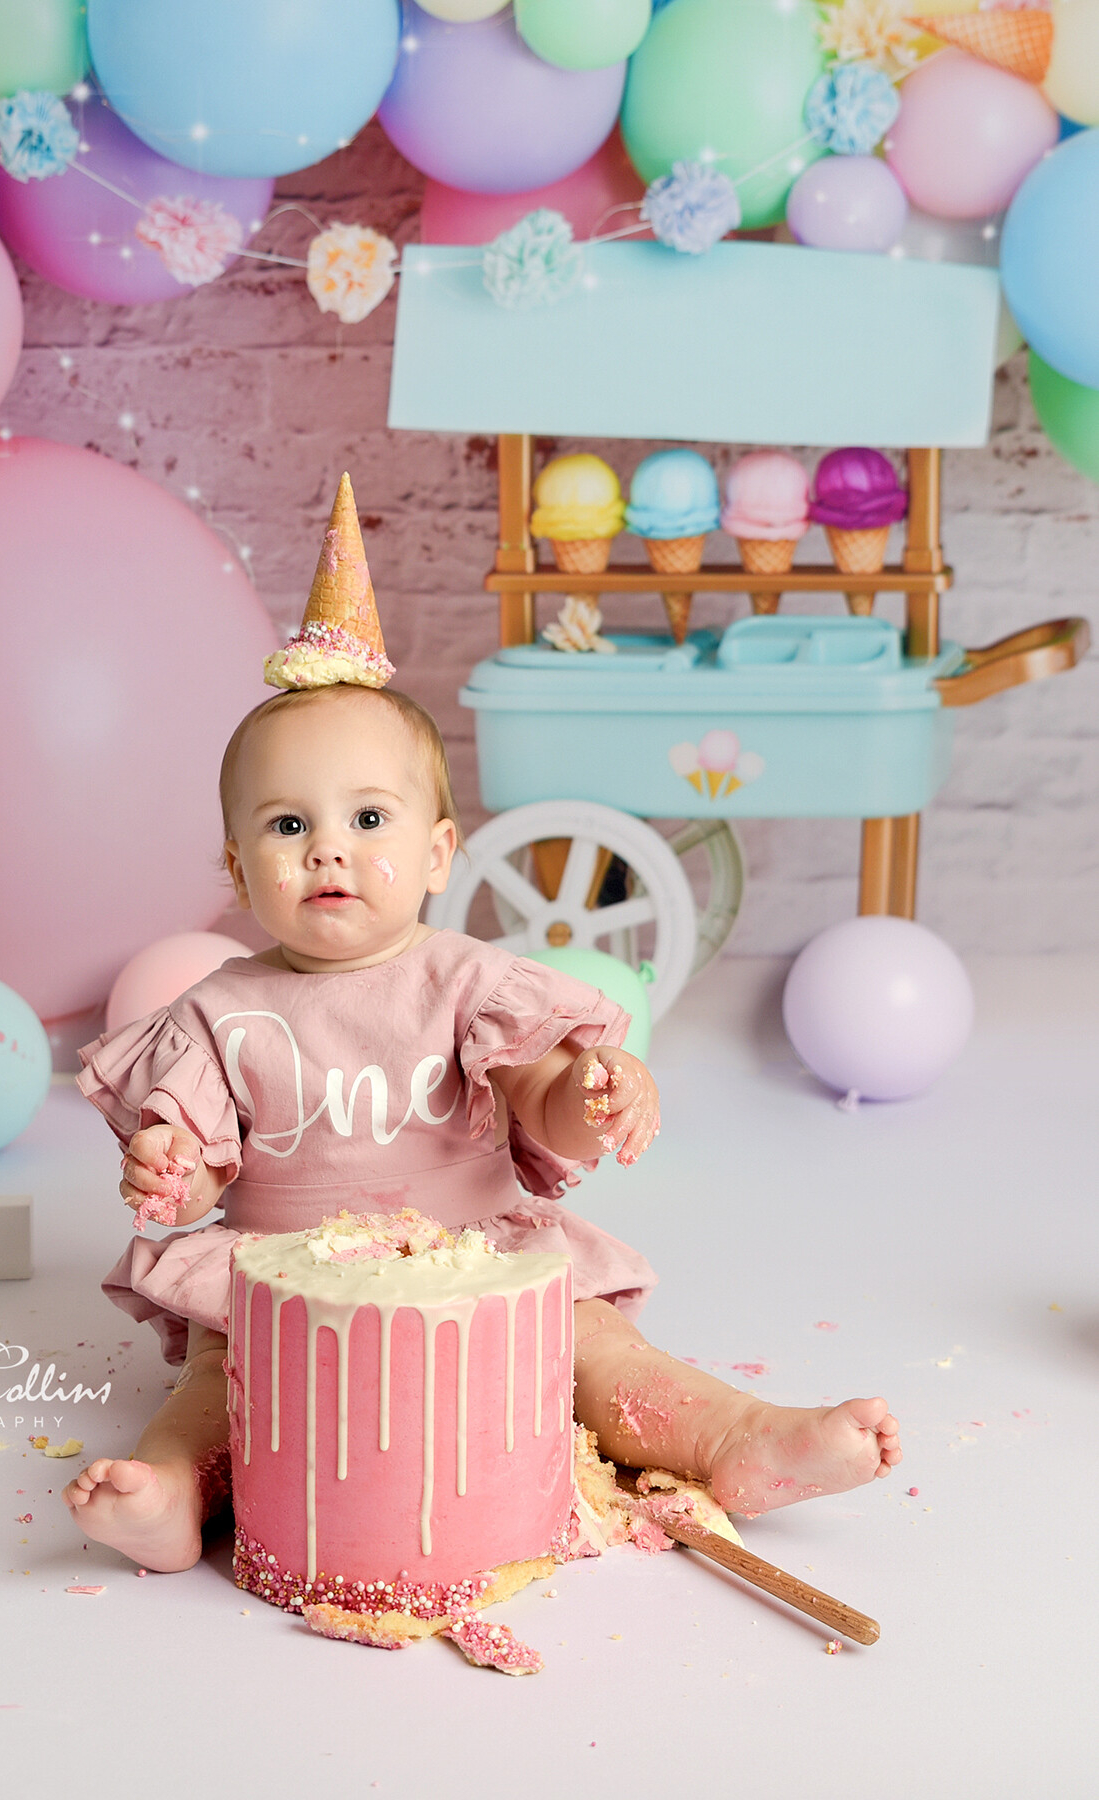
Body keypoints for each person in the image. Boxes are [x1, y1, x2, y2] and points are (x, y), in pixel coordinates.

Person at [62, 478, 900, 1572]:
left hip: (479, 1266)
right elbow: (207, 1164)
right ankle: (175, 1489)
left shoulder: (469, 981)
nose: (329, 849)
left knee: (594, 1350)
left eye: (369, 818)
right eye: (287, 824)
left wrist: (594, 1093)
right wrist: (173, 1168)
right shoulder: (222, 1010)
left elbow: (542, 1094)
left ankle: (735, 1439)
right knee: (226, 1383)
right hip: (291, 1274)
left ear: (440, 854)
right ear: (234, 868)